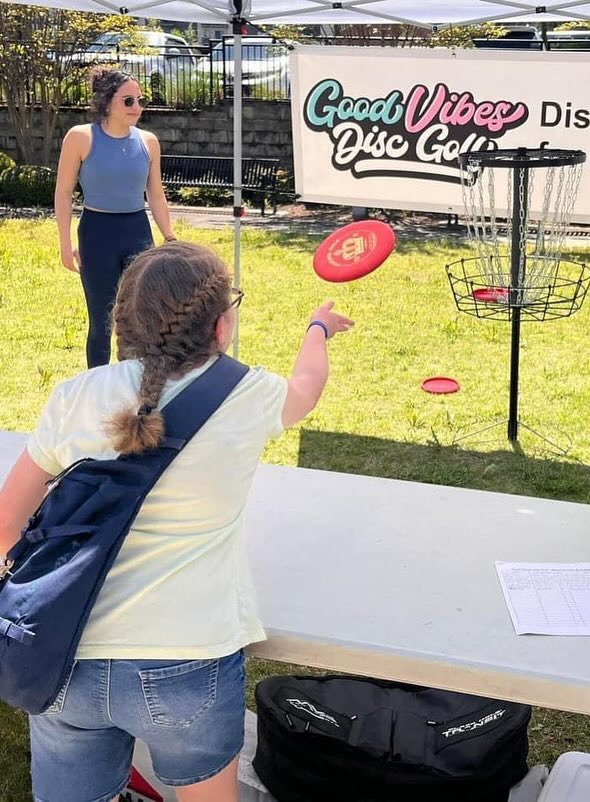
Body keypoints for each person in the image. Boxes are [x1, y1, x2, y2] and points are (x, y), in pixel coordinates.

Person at [0, 241, 353, 802]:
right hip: (188, 661)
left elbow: (6, 525)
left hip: (65, 654)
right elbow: (305, 391)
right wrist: (318, 328)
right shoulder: (250, 393)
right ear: (220, 327)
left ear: (121, 325)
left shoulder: (74, 396)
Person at [55, 68, 177, 369]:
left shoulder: (148, 141)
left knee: (142, 317)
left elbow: (157, 195)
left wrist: (170, 237)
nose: (137, 107)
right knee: (101, 320)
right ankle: (97, 388)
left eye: (139, 100)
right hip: (97, 233)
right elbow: (63, 192)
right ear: (107, 102)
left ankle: (137, 384)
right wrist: (64, 243)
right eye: (128, 101)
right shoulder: (80, 137)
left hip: (137, 231)